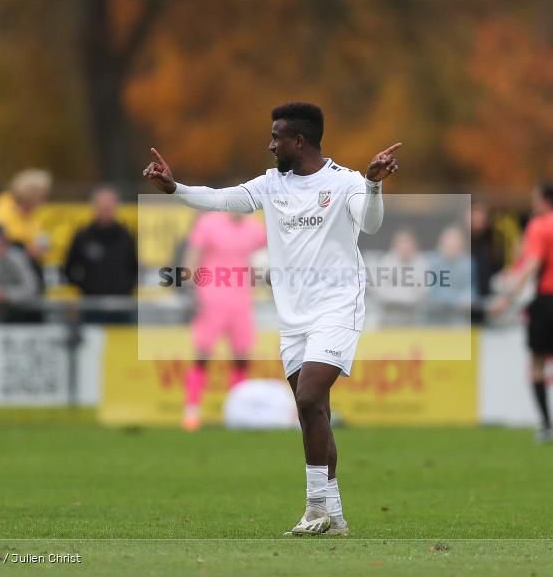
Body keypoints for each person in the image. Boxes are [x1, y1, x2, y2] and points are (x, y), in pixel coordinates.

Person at [144, 102, 401, 537]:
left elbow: (371, 226)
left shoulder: (346, 182)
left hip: (338, 305)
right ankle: (334, 517)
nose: (270, 144)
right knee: (313, 412)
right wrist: (175, 188)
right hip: (293, 315)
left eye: (276, 137)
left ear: (298, 141)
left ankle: (315, 506)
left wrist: (374, 186)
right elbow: (223, 199)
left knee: (306, 396)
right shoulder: (269, 185)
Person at [491, 184, 553, 443]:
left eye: (535, 199)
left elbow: (533, 264)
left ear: (546, 200)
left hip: (548, 299)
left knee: (537, 366)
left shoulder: (540, 225)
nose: (533, 203)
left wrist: (508, 297)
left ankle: (547, 426)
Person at [180, 211, 267, 431]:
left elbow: (267, 255)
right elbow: (194, 253)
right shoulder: (209, 223)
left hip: (242, 299)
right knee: (202, 353)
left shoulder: (255, 228)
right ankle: (192, 409)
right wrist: (189, 288)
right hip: (211, 297)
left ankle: (236, 410)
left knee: (241, 356)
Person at [64, 185, 138, 323]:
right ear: (94, 207)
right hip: (92, 307)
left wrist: (125, 288)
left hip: (122, 307)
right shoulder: (83, 236)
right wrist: (86, 286)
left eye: (109, 205)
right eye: (102, 205)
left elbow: (135, 267)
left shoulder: (126, 236)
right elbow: (69, 268)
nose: (106, 209)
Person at [0, 168, 52, 291]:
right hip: (10, 284)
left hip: (29, 278)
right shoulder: (2, 212)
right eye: (41, 197)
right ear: (30, 195)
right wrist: (27, 251)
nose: (43, 202)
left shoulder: (31, 216)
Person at [421, 225, 476, 324]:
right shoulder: (432, 262)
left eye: (455, 242)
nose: (452, 246)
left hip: (461, 317)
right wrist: (457, 300)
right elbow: (434, 291)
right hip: (436, 315)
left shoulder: (468, 263)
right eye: (449, 243)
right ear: (442, 243)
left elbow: (471, 288)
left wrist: (468, 297)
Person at [371, 229, 427, 326]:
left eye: (408, 242)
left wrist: (395, 292)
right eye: (402, 242)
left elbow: (422, 293)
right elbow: (380, 293)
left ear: (415, 245)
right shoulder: (385, 262)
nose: (405, 246)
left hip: (413, 320)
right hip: (387, 319)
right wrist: (407, 293)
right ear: (394, 245)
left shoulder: (421, 263)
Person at [469, 200, 505, 299]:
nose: (480, 217)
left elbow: (498, 275)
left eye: (483, 213)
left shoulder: (495, 242)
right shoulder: (458, 240)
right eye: (476, 212)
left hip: (487, 299)